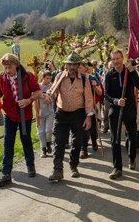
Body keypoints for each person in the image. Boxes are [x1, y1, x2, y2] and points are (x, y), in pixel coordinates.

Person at [0, 53, 42, 188]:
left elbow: (38, 92)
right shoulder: (2, 77)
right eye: (5, 68)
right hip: (10, 114)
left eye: (9, 67)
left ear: (16, 65)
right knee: (8, 143)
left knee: (25, 139)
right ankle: (6, 174)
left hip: (25, 114)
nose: (7, 71)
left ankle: (30, 165)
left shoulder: (27, 76)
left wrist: (28, 100)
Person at [46, 51, 93, 182]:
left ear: (78, 65)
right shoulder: (60, 76)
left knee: (77, 142)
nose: (71, 67)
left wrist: (88, 116)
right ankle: (57, 170)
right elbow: (53, 90)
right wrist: (49, 95)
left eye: (74, 64)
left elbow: (89, 98)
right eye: (69, 64)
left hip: (78, 113)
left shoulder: (85, 79)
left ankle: (73, 166)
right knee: (59, 141)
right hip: (62, 113)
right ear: (66, 65)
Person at [104, 50, 139, 179]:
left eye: (118, 58)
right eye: (113, 59)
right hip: (115, 109)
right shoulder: (110, 75)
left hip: (129, 108)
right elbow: (106, 94)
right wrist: (115, 101)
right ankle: (117, 168)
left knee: (132, 136)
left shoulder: (129, 71)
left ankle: (132, 157)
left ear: (122, 58)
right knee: (115, 139)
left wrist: (132, 70)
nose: (116, 61)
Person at [80, 62, 103, 158]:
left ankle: (94, 141)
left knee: (92, 128)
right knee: (82, 129)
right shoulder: (74, 78)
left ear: (85, 69)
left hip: (90, 106)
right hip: (79, 107)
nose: (78, 69)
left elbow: (100, 92)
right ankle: (83, 149)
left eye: (80, 67)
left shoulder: (92, 77)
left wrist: (94, 87)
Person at [37, 71, 55, 158]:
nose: (48, 80)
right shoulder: (38, 86)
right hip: (40, 113)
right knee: (41, 132)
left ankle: (48, 143)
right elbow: (35, 95)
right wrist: (43, 96)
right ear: (42, 77)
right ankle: (43, 149)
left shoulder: (51, 86)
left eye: (50, 78)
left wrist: (49, 97)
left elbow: (53, 95)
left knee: (48, 130)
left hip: (49, 112)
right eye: (47, 78)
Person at [101, 61, 114, 133]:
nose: (111, 68)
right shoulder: (106, 75)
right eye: (110, 67)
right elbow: (103, 86)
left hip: (115, 96)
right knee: (106, 112)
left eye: (113, 67)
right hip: (107, 97)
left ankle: (113, 128)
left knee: (113, 113)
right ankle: (106, 127)